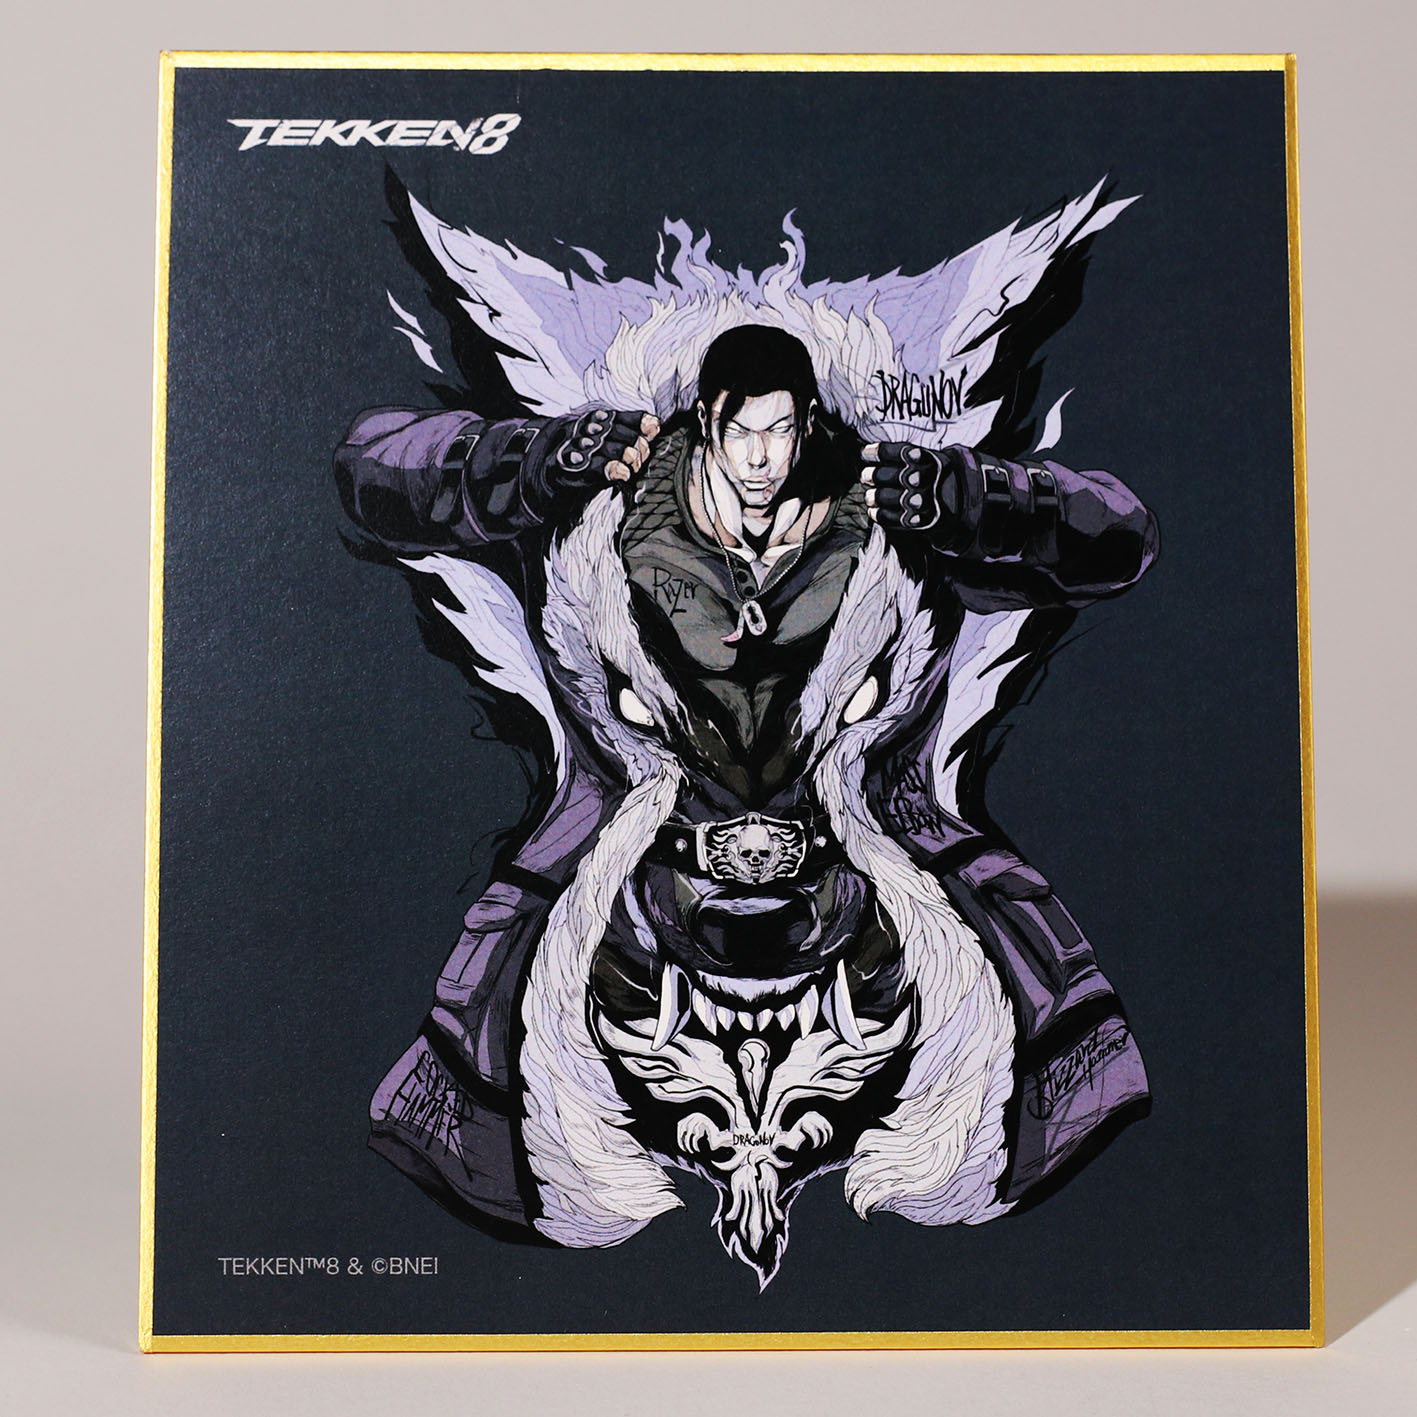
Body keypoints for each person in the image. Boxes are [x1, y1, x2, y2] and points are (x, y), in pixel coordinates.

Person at [336, 323, 1158, 1274]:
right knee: (496, 1059)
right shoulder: (614, 505)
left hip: (858, 871)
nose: (762, 459)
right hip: (638, 866)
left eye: (780, 432)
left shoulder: (886, 508)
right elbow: (367, 466)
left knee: (1027, 1046)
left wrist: (975, 500)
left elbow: (1122, 537)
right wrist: (530, 462)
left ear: (806, 422)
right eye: (741, 434)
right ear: (705, 421)